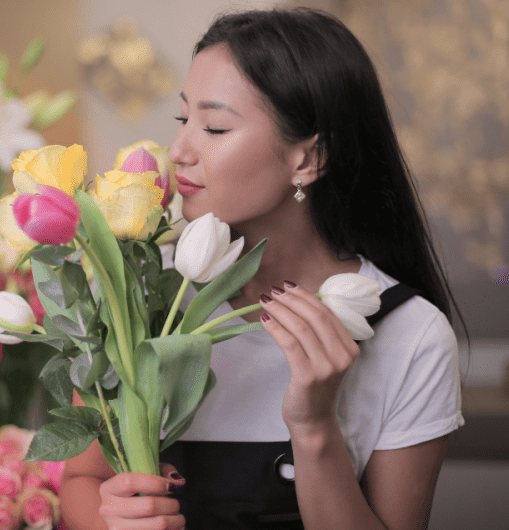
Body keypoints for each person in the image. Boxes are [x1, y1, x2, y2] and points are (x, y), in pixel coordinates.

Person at [59, 7, 465, 530]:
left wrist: (315, 426)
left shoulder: (411, 335)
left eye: (215, 126)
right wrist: (111, 518)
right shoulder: (129, 291)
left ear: (307, 160)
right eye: (183, 120)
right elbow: (80, 481)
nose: (178, 150)